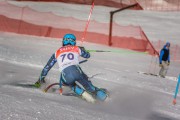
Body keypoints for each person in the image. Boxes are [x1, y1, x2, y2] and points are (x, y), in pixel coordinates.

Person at [35, 33, 108, 103]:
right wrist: (83, 50)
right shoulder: (77, 48)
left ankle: (88, 98)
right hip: (77, 71)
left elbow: (46, 68)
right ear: (74, 42)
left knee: (70, 84)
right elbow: (87, 56)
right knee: (89, 86)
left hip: (66, 74)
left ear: (64, 41)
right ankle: (105, 98)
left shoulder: (56, 52)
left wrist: (41, 80)